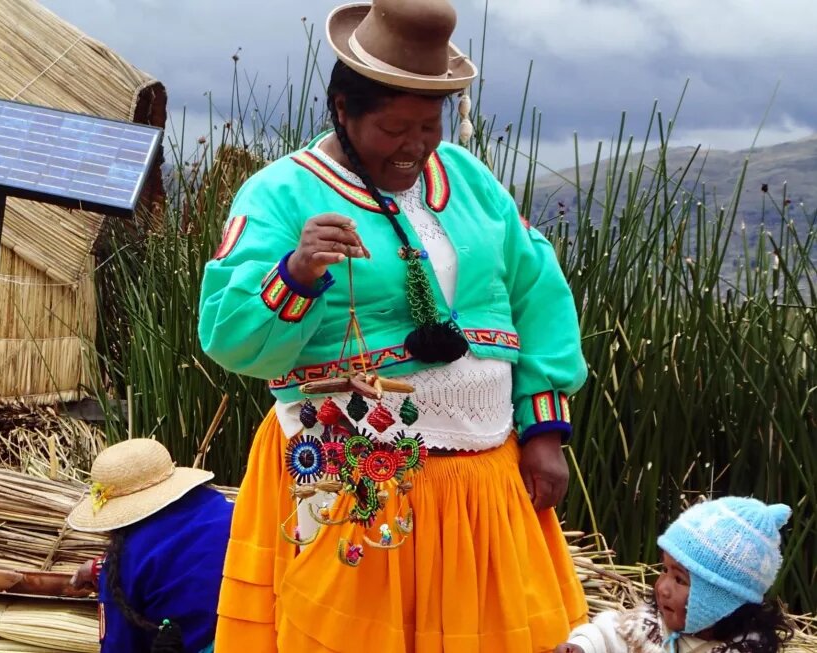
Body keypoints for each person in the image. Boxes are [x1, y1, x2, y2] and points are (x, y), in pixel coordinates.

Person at [197, 0, 590, 650]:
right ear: (342, 109)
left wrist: (543, 427)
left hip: (480, 480)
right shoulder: (279, 195)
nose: (414, 146)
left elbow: (536, 289)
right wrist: (296, 273)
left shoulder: (469, 180)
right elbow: (231, 335)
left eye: (428, 126)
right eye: (393, 127)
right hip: (349, 475)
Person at [555, 496, 795, 653]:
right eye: (664, 570)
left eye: (680, 579)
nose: (662, 587)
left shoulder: (742, 649)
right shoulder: (652, 626)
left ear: (720, 601)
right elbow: (608, 634)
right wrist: (583, 646)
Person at [67, 438, 232, 653]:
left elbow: (120, 647)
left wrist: (108, 574)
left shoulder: (125, 563)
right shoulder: (224, 508)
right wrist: (99, 569)